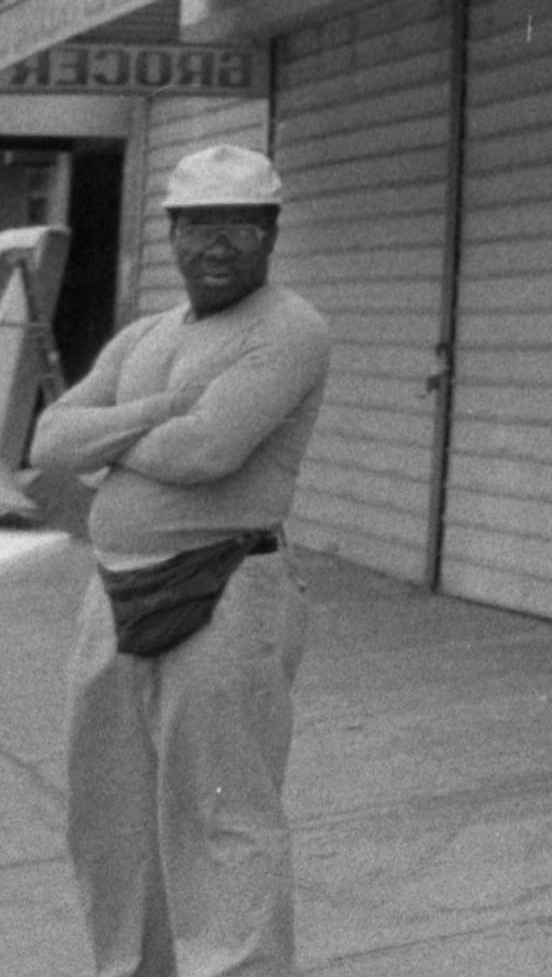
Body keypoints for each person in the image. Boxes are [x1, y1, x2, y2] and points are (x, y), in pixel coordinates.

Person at [30, 144, 330, 977]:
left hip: (226, 588)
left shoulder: (290, 328)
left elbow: (210, 451)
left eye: (240, 223)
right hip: (114, 590)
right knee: (110, 817)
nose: (217, 243)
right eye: (198, 224)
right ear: (172, 235)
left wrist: (117, 433)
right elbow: (50, 441)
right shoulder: (147, 336)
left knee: (222, 819)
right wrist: (161, 406)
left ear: (269, 234)